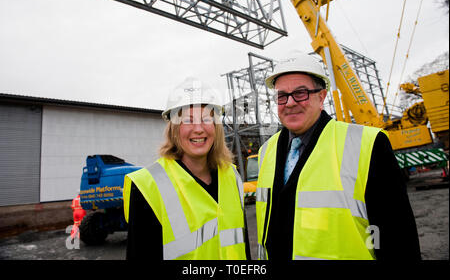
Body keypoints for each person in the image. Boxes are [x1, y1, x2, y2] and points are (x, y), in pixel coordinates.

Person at [256, 55, 421, 260]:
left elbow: (398, 238)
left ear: (321, 97)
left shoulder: (367, 144)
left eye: (300, 93)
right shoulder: (266, 152)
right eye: (282, 96)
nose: (289, 103)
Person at [123, 77, 250, 260]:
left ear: (216, 127)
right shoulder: (148, 186)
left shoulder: (232, 176)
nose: (198, 129)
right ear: (174, 129)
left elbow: (243, 249)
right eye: (188, 120)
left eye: (206, 119)